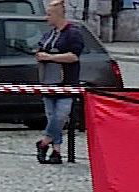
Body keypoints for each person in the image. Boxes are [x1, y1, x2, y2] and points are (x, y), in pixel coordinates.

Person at [33, 0, 84, 166]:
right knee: (51, 117)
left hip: (66, 83)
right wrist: (39, 55)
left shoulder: (73, 33)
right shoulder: (49, 35)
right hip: (48, 82)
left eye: (49, 14)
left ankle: (43, 143)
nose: (46, 18)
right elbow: (40, 49)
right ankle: (56, 151)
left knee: (60, 116)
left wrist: (51, 57)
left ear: (58, 14)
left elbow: (74, 56)